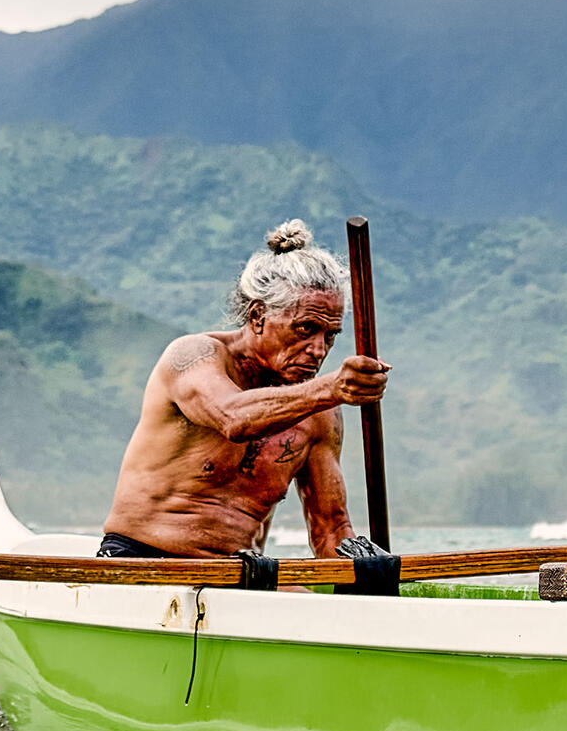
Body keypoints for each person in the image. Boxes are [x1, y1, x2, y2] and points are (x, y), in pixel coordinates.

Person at [97, 221, 390, 559]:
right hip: (142, 559)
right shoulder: (193, 357)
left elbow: (331, 529)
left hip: (240, 573)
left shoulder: (320, 413)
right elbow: (234, 418)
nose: (318, 350)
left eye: (330, 335)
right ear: (257, 316)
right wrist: (331, 389)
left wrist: (365, 568)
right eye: (305, 329)